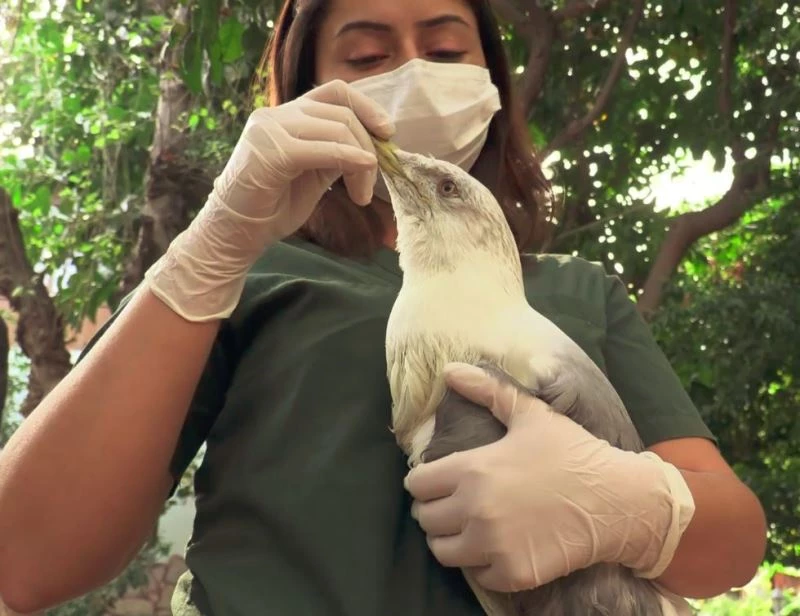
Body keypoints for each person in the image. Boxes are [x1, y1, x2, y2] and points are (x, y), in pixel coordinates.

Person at [0, 0, 767, 614]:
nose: (410, 73)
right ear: (309, 94)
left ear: (493, 79)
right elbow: (23, 560)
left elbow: (733, 543)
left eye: (444, 49)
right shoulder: (241, 271)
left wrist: (637, 507)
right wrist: (211, 250)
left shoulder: (577, 288)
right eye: (366, 57)